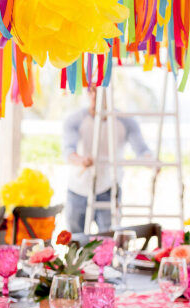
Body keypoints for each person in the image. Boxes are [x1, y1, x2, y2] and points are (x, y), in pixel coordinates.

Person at [62, 88, 153, 234]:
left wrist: (152, 162)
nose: (94, 95)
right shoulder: (75, 119)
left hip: (109, 188)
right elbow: (68, 151)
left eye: (98, 91)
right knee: (75, 241)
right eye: (90, 91)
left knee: (109, 240)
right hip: (77, 189)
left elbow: (142, 150)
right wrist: (81, 160)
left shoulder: (125, 121)